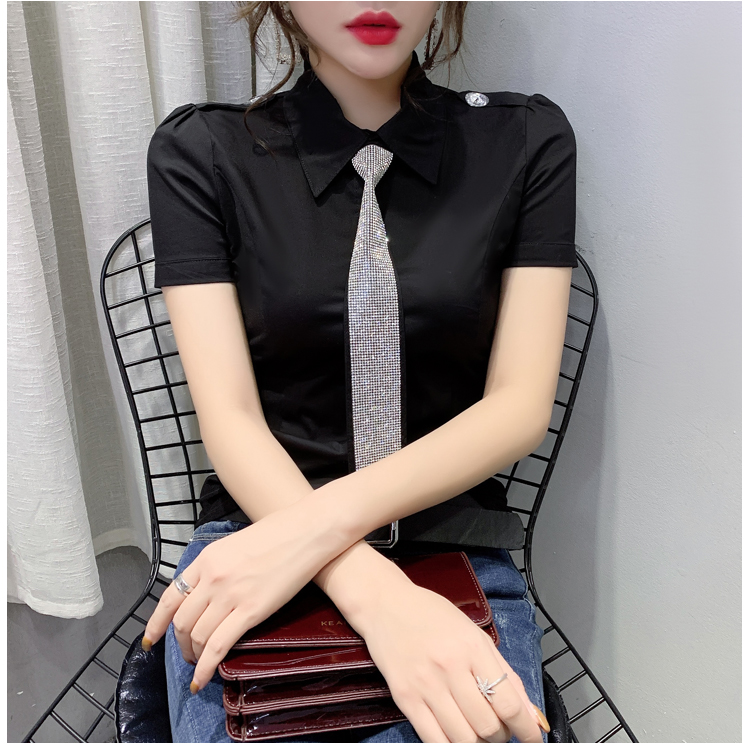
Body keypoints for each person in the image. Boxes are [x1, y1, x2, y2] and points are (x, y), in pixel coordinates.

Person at [142, 0, 577, 742]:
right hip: (257, 536)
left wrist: (327, 536)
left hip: (451, 548)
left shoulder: (525, 141)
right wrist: (380, 599)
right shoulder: (202, 151)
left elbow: (518, 406)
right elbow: (230, 418)